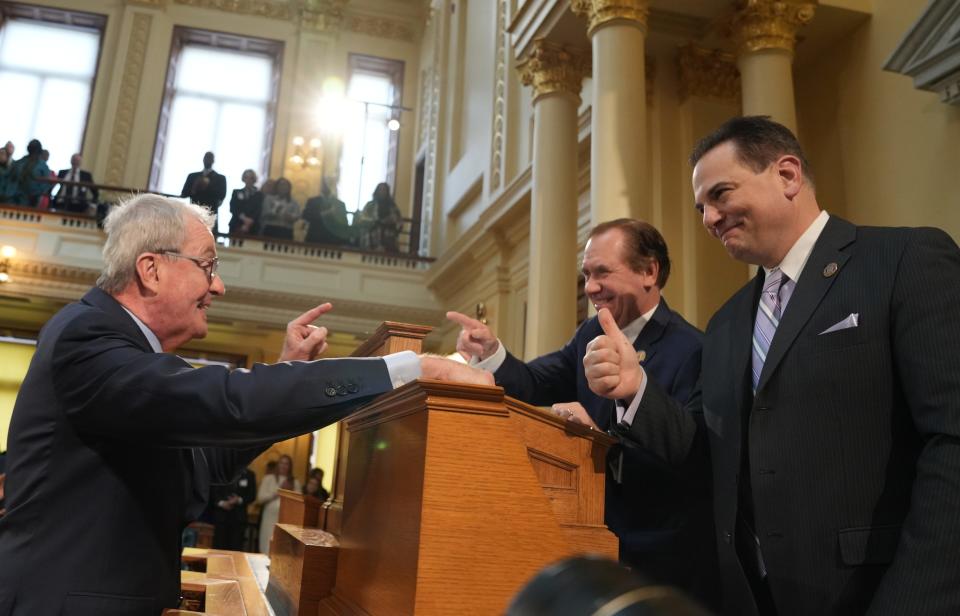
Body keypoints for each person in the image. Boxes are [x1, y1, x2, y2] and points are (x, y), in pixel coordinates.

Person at [0, 193, 491, 614]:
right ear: (150, 269)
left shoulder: (115, 351)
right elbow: (226, 400)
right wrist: (407, 369)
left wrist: (286, 371)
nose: (218, 286)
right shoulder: (88, 337)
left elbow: (207, 461)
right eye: (208, 266)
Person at [584, 116, 960, 615]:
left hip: (879, 593)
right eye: (701, 207)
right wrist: (636, 391)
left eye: (720, 194)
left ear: (787, 175)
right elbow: (708, 453)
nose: (709, 218)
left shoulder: (903, 260)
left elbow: (950, 440)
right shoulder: (727, 322)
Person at [447, 220, 717, 606]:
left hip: (656, 560)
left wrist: (600, 443)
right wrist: (491, 352)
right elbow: (532, 382)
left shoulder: (692, 349)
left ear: (649, 271)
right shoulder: (590, 333)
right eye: (587, 274)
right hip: (584, 539)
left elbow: (693, 459)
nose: (589, 287)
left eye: (602, 272)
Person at [256, 454, 299, 553]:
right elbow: (260, 498)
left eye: (286, 464)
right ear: (278, 465)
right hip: (269, 518)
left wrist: (290, 492)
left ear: (290, 466)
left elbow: (299, 503)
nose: (284, 466)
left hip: (287, 519)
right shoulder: (269, 478)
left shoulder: (295, 482)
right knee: (267, 544)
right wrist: (279, 491)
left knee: (281, 547)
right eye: (281, 463)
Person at [210, 466, 256, 551]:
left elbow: (252, 496)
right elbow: (211, 492)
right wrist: (222, 503)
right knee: (219, 549)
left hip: (239, 519)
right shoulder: (219, 472)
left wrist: (238, 500)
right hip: (221, 518)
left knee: (236, 548)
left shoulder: (250, 474)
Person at [354, 182, 402, 252]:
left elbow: (399, 222)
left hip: (388, 239)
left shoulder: (392, 207)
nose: (382, 192)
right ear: (377, 191)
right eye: (380, 190)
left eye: (384, 190)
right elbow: (362, 219)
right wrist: (373, 222)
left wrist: (387, 223)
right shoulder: (370, 205)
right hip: (371, 238)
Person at [302, 178, 351, 245]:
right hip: (315, 239)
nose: (327, 186)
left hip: (334, 241)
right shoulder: (313, 201)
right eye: (325, 184)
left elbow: (344, 224)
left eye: (330, 184)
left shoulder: (340, 204)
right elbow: (305, 215)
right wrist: (325, 214)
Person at [180, 151, 227, 217]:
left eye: (210, 158)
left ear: (213, 161)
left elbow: (221, 196)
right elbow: (184, 193)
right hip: (194, 212)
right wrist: (195, 187)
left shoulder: (220, 179)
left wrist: (208, 186)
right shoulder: (192, 176)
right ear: (203, 159)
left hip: (210, 214)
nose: (207, 160)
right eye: (206, 157)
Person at [9, 139, 50, 207]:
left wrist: (37, 193)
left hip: (32, 198)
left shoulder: (43, 165)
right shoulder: (21, 161)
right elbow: (12, 175)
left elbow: (46, 183)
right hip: (15, 196)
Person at [228, 169, 263, 235]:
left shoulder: (259, 194)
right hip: (236, 224)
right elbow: (232, 207)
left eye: (251, 178)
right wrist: (244, 218)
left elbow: (258, 209)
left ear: (254, 179)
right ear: (243, 179)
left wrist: (250, 220)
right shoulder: (236, 192)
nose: (249, 180)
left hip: (253, 227)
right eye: (246, 177)